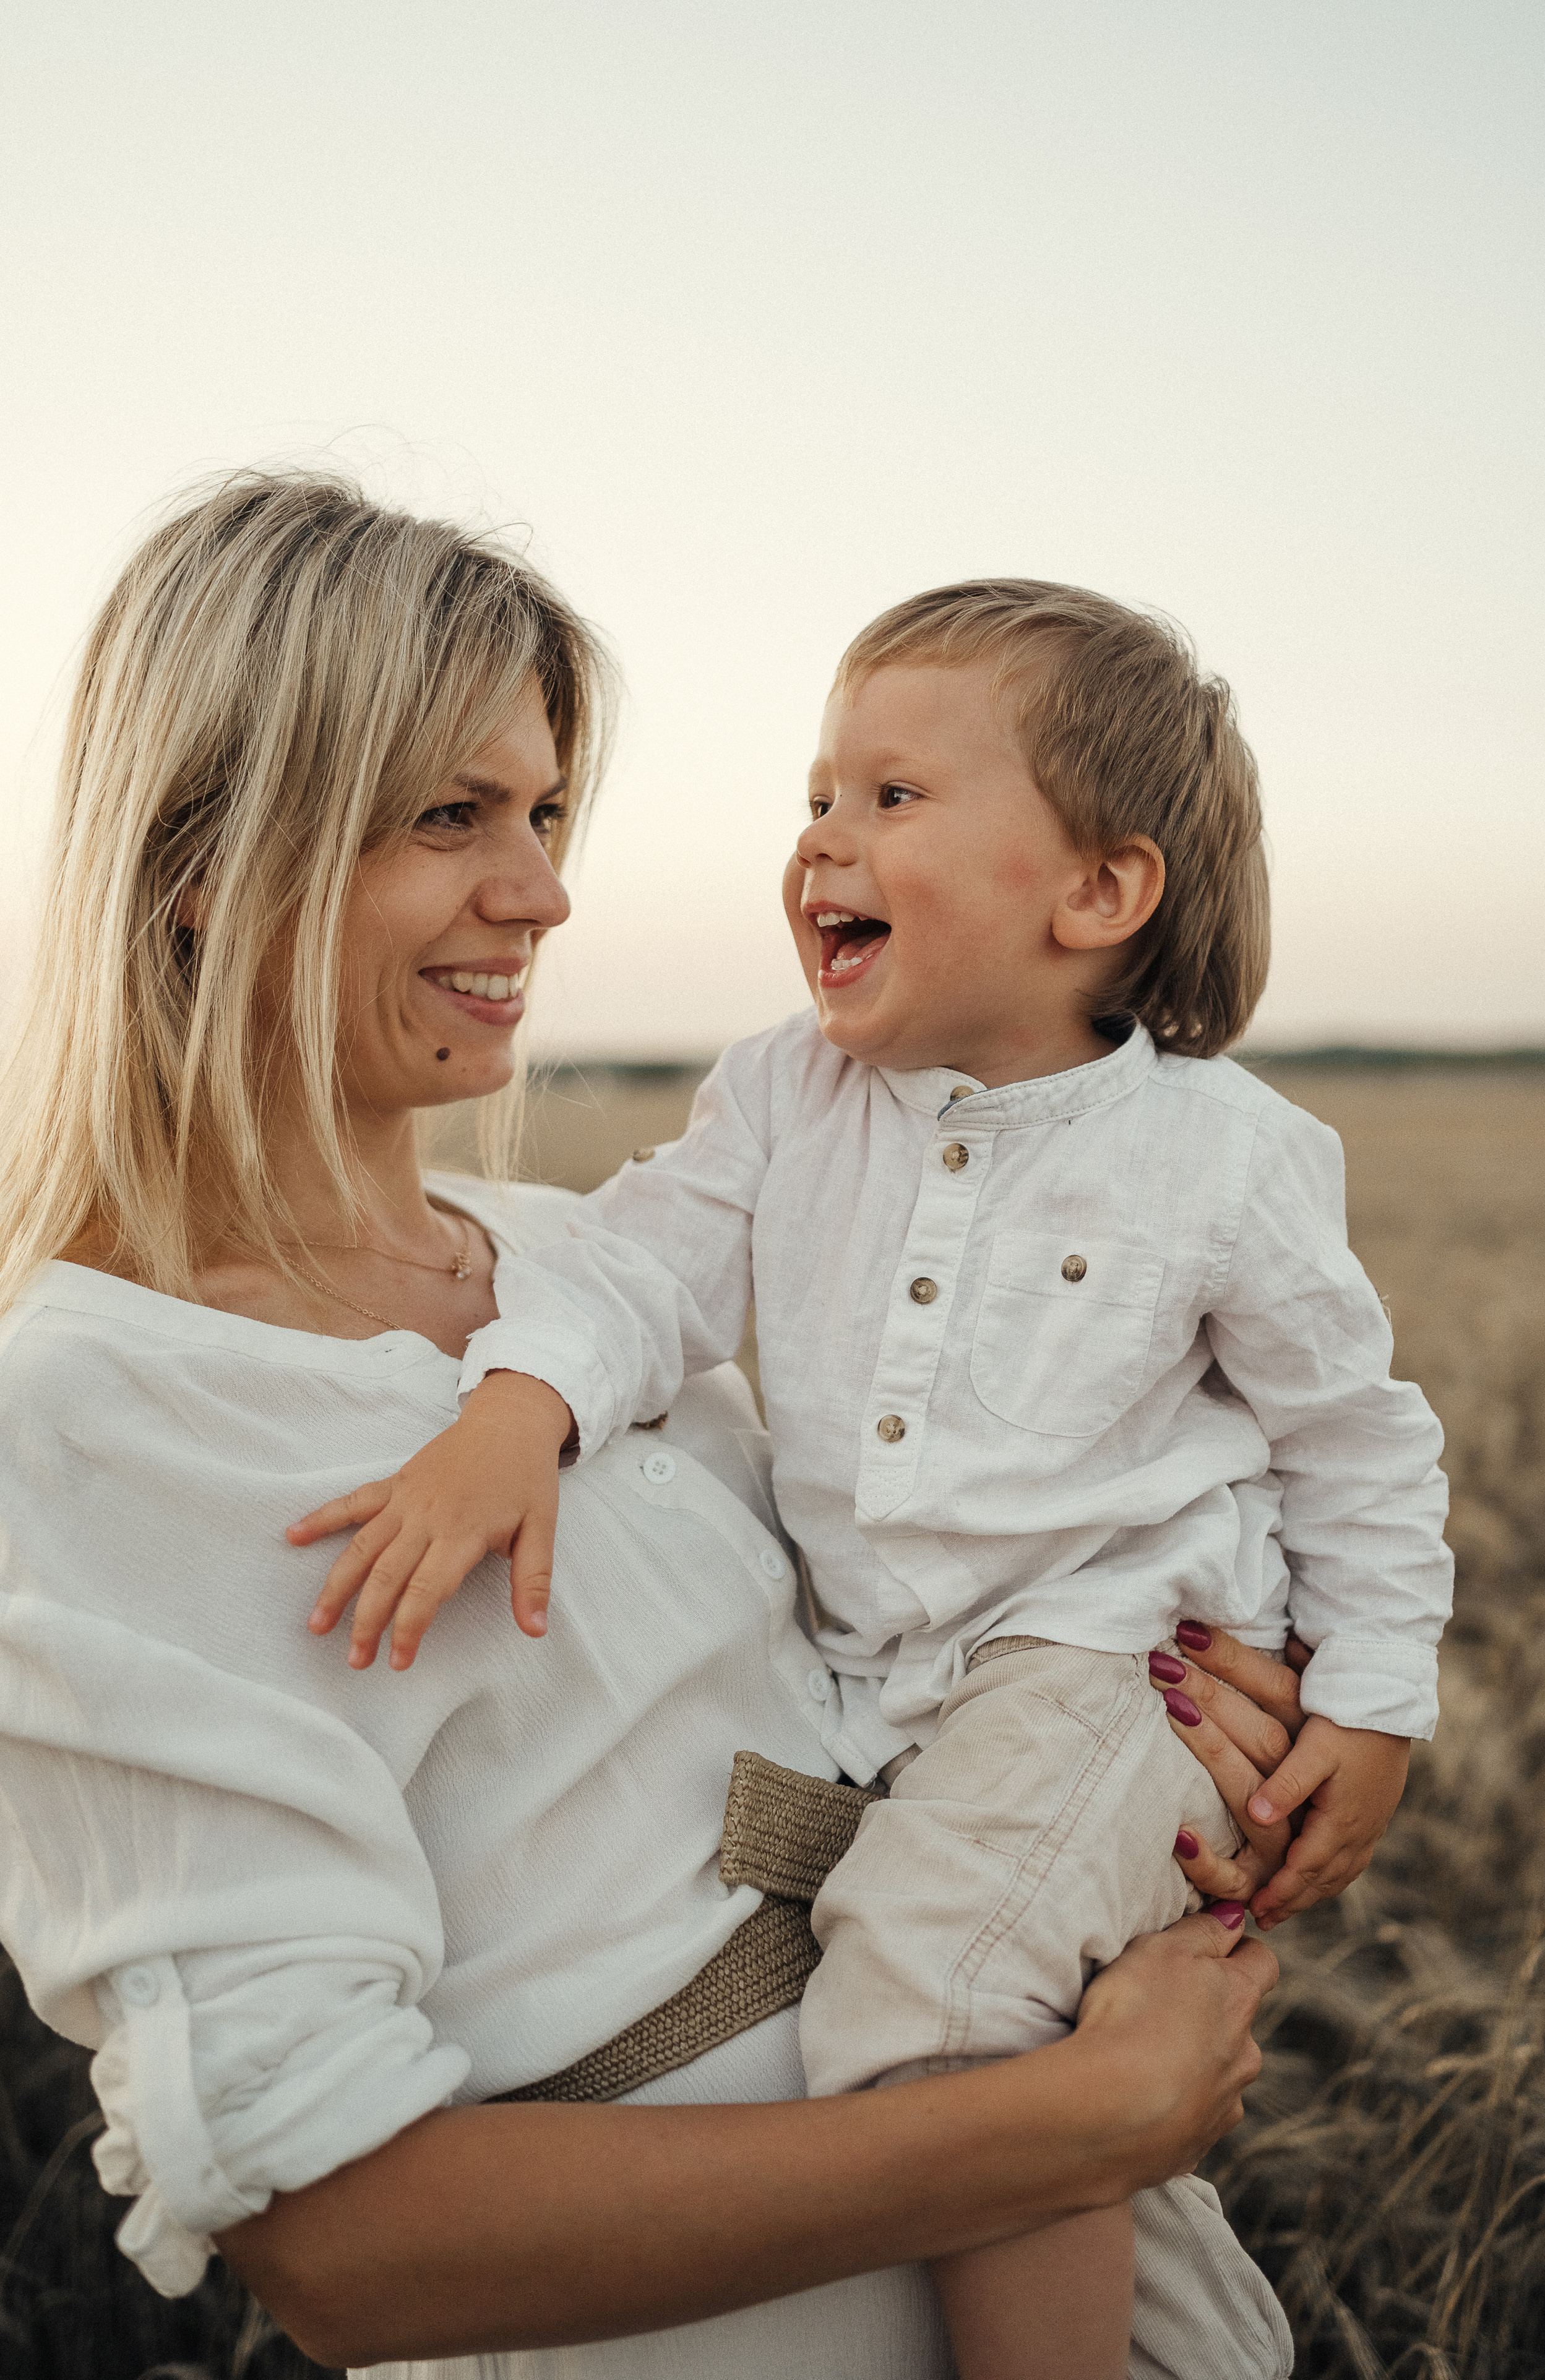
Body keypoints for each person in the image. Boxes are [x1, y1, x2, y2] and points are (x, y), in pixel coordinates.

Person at [0, 473, 1293, 2380]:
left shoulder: (577, 1267)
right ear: (205, 855)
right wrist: (1064, 2126)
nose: (539, 891)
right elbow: (344, 2243)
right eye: (450, 818)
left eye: (538, 812)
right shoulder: (92, 1412)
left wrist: (1166, 1687)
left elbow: (873, 1672)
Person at [303, 581, 1453, 2378]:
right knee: (1014, 2050)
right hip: (889, 1702)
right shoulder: (782, 1098)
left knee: (931, 2017)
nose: (822, 839)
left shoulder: (1222, 1157)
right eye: (817, 796)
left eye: (893, 800)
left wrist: (1373, 1706)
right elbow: (641, 1268)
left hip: (1108, 1668)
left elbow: (1359, 1442)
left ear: (1098, 894)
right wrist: (520, 1407)